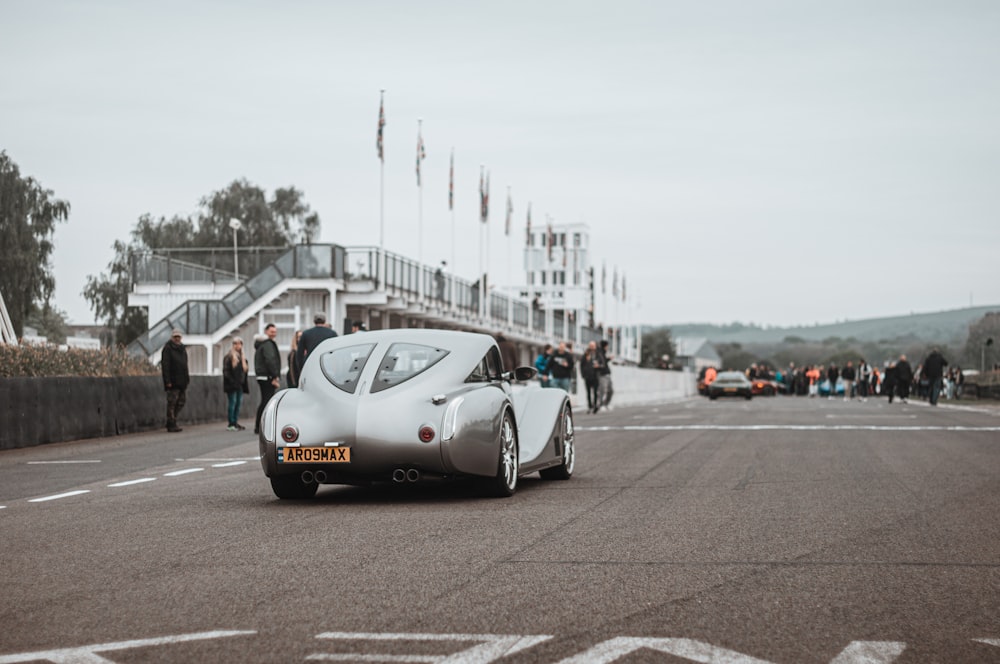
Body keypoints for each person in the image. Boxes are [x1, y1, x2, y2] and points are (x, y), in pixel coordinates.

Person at [254, 323, 282, 434]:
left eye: (275, 332)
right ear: (266, 332)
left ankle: (259, 425)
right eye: (271, 331)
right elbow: (270, 360)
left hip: (262, 376)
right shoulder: (268, 344)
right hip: (267, 376)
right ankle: (260, 426)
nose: (273, 334)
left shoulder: (262, 344)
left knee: (265, 401)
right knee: (266, 401)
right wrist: (275, 375)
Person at [161, 328, 189, 433]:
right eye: (175, 337)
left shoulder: (182, 349)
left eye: (179, 337)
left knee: (181, 402)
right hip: (172, 382)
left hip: (182, 381)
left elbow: (185, 365)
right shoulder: (167, 349)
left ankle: (172, 420)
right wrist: (167, 381)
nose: (177, 339)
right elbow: (165, 366)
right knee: (172, 403)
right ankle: (171, 423)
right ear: (172, 337)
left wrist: (187, 379)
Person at [222, 337, 250, 431]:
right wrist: (232, 382)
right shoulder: (229, 357)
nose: (238, 346)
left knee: (238, 404)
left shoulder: (243, 358)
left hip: (240, 385)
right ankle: (231, 423)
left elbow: (244, 372)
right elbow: (226, 372)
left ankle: (235, 422)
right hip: (232, 385)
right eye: (235, 343)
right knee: (232, 403)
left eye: (239, 344)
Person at [581, 341, 604, 413]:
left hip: (595, 376)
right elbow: (581, 365)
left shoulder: (598, 354)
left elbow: (603, 365)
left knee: (595, 392)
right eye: (590, 345)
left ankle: (595, 406)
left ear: (595, 346)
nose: (592, 347)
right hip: (587, 376)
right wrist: (583, 374)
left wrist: (598, 366)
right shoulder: (586, 354)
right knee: (588, 392)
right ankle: (590, 406)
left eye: (593, 345)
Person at [598, 339, 614, 409]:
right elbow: (601, 363)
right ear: (605, 346)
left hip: (607, 374)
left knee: (611, 390)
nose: (608, 347)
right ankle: (601, 405)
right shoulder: (599, 353)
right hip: (602, 374)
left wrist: (608, 359)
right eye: (607, 346)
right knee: (602, 390)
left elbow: (604, 362)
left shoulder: (603, 353)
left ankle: (606, 404)